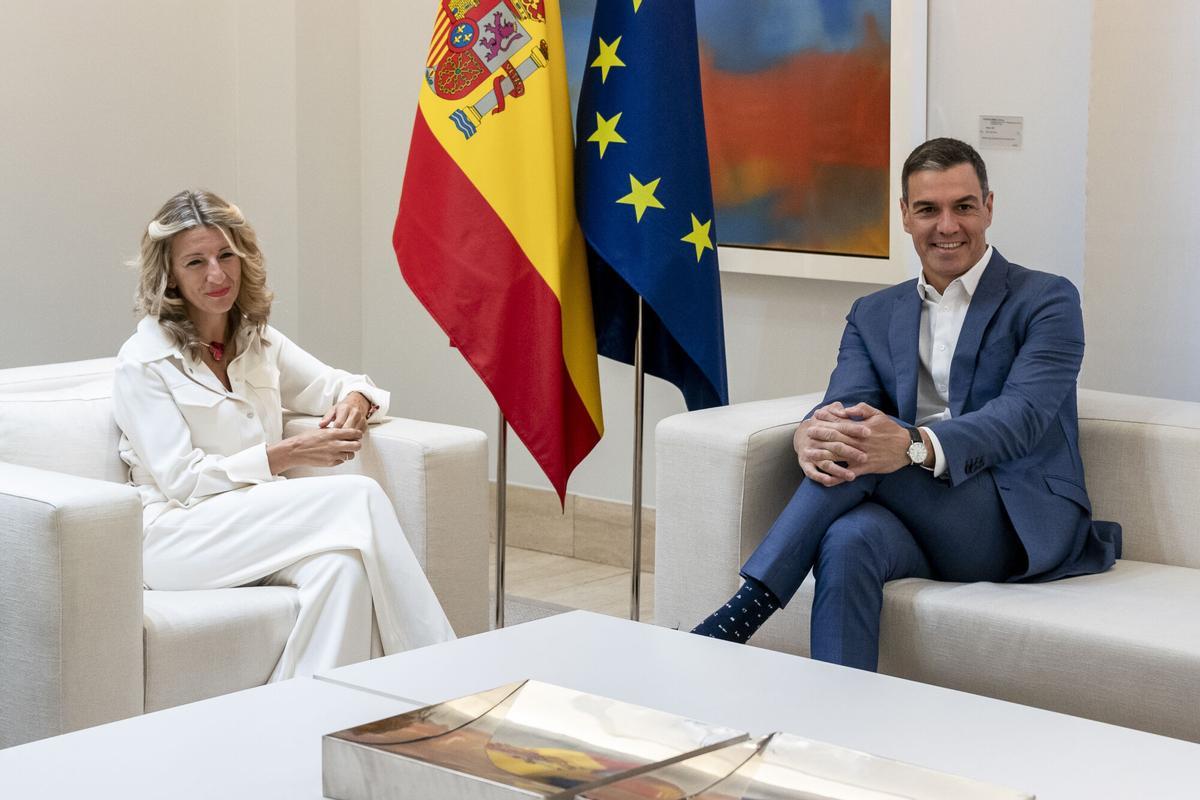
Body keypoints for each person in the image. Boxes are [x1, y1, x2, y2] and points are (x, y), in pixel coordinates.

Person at [692, 138, 1120, 670]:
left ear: (989, 207)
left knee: (874, 438)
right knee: (848, 539)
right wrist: (809, 433)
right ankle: (839, 731)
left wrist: (914, 446)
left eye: (963, 206)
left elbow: (1023, 417)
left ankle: (741, 613)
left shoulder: (1046, 300)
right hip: (915, 519)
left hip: (1010, 519)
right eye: (928, 209)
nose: (947, 226)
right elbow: (843, 406)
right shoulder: (872, 312)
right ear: (904, 215)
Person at [113, 189, 454, 681]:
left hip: (256, 525)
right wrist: (286, 453)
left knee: (343, 571)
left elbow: (346, 384)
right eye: (195, 262)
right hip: (174, 539)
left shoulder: (258, 339)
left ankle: (298, 726)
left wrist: (356, 401)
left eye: (226, 254)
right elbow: (182, 483)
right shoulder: (142, 361)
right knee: (356, 497)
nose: (217, 274)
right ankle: (445, 674)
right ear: (169, 276)